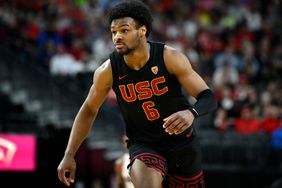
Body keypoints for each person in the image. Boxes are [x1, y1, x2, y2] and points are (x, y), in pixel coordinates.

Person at [57, 1, 217, 187]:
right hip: (144, 144)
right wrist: (69, 154)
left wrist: (191, 113)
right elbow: (89, 110)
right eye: (114, 32)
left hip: (183, 144)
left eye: (124, 30)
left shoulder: (169, 57)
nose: (117, 36)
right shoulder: (107, 71)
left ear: (142, 31)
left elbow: (208, 97)